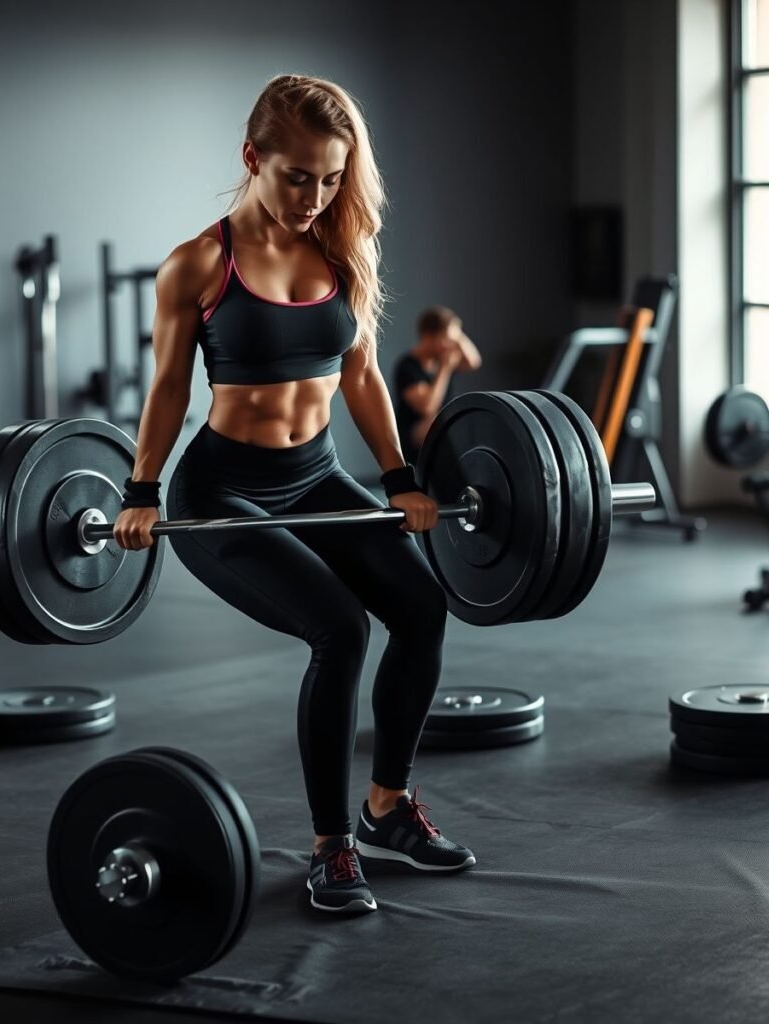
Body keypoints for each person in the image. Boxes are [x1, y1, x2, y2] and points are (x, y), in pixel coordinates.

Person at [113, 74, 475, 915]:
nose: (317, 196)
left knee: (422, 606)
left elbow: (361, 376)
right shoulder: (200, 263)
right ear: (254, 158)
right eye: (299, 176)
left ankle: (387, 809)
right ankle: (331, 846)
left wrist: (399, 477)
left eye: (333, 177)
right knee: (339, 630)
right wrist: (140, 490)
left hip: (316, 477)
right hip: (221, 493)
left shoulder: (342, 249)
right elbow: (168, 387)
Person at [393, 307, 481, 467]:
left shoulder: (441, 358)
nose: (451, 345)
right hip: (413, 436)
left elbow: (473, 362)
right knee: (436, 422)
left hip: (443, 430)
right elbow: (427, 407)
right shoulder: (407, 366)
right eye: (446, 338)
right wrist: (445, 369)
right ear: (428, 337)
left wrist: (456, 333)